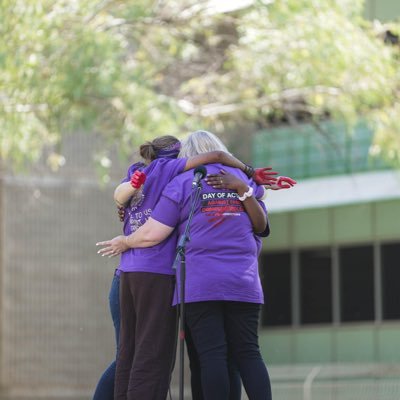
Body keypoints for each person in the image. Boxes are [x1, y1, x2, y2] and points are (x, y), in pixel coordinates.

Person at [97, 130, 296, 400]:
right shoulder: (242, 182)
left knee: (206, 354)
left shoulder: (181, 183)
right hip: (242, 282)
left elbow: (150, 227)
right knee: (246, 354)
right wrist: (246, 181)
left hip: (195, 284)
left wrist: (126, 241)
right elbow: (260, 226)